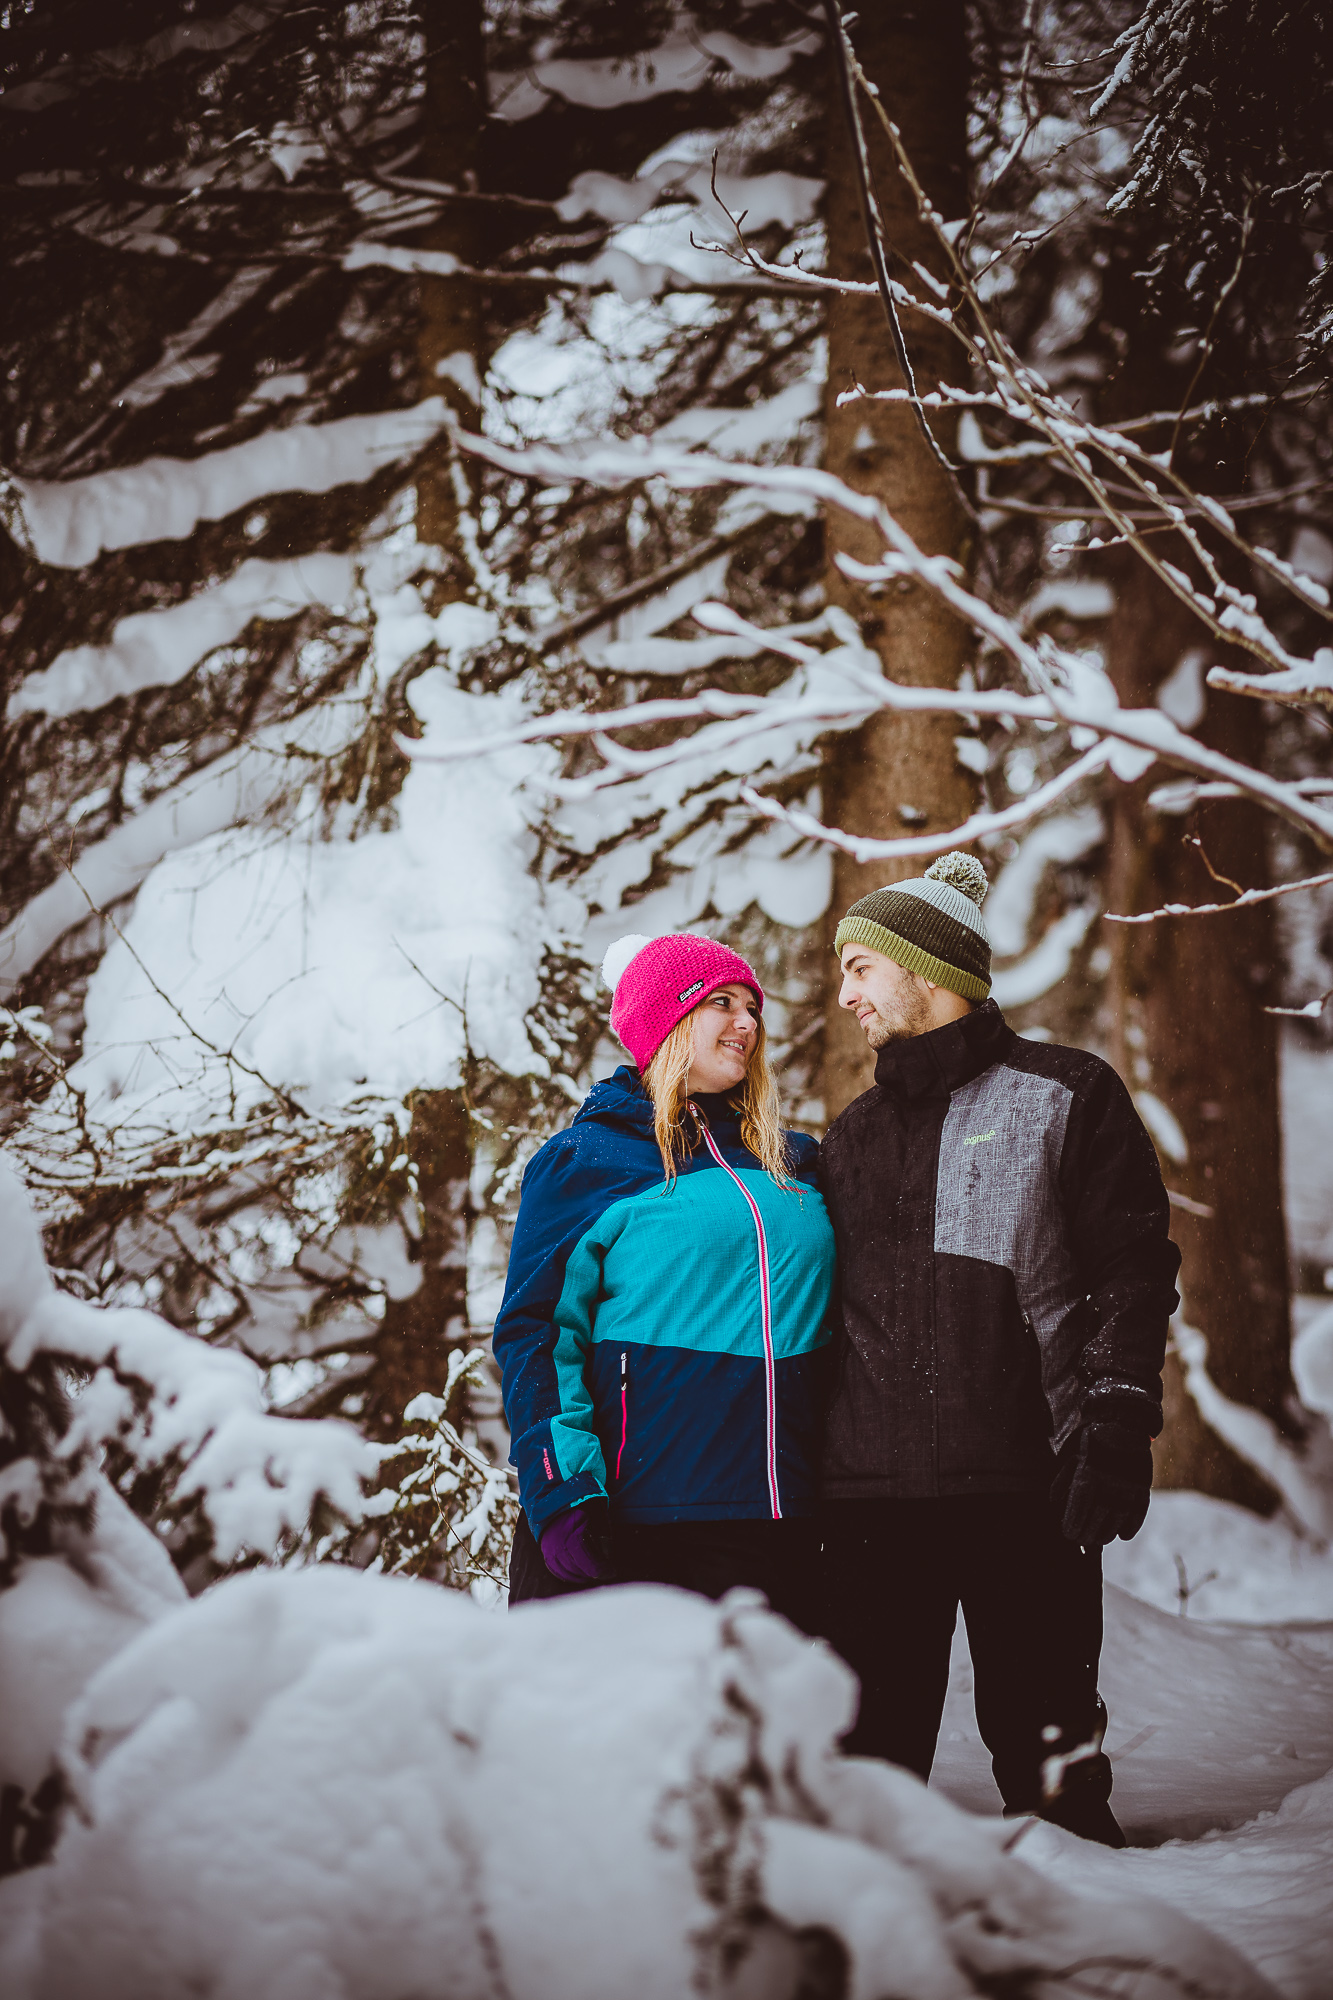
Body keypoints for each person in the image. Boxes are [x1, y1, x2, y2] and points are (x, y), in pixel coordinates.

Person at [816, 851, 1181, 1847]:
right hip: (870, 1507)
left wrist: (1115, 1422)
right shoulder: (850, 1136)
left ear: (925, 969)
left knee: (1054, 1777)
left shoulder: (1066, 1094)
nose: (845, 994)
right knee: (867, 1789)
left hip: (1028, 1486)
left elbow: (1131, 1269)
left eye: (859, 967)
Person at [494, 930, 836, 1625]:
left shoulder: (794, 1162)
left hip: (786, 1517)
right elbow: (538, 1333)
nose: (746, 1023)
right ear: (666, 1020)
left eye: (752, 1007)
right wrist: (561, 1487)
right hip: (641, 1517)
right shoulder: (587, 1160)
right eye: (721, 1003)